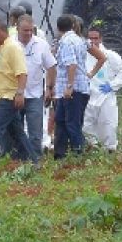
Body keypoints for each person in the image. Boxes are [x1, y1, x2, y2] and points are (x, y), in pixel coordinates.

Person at [0, 18, 35, 171]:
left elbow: (22, 73)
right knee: (17, 131)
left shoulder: (13, 48)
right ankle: (34, 160)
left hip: (8, 96)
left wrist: (20, 93)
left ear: (3, 31)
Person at [82, 26, 122, 152]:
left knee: (108, 123)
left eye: (95, 38)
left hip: (105, 95)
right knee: (87, 124)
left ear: (101, 39)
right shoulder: (83, 55)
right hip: (88, 95)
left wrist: (113, 85)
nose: (93, 41)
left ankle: (110, 148)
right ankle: (92, 147)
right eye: (90, 38)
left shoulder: (109, 55)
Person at [15, 16, 55, 161]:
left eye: (31, 30)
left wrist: (50, 88)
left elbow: (51, 67)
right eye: (25, 30)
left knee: (35, 129)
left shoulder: (41, 45)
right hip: (14, 94)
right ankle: (17, 158)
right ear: (17, 28)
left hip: (35, 94)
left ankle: (35, 159)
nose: (28, 33)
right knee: (15, 128)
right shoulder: (10, 44)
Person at [52, 14, 91, 157]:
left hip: (72, 90)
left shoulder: (67, 41)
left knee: (72, 124)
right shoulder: (77, 40)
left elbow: (72, 64)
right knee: (61, 121)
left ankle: (78, 155)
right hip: (68, 89)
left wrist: (69, 86)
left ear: (58, 28)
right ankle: (59, 155)